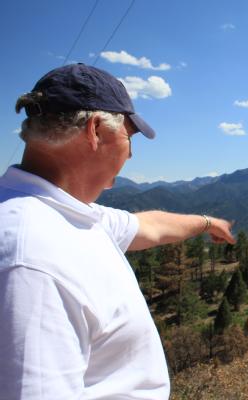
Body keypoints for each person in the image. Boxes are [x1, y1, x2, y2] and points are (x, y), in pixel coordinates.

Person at [0, 63, 235, 399]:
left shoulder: (67, 215)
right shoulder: (32, 259)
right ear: (96, 130)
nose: (132, 153)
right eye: (129, 136)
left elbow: (151, 226)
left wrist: (209, 223)